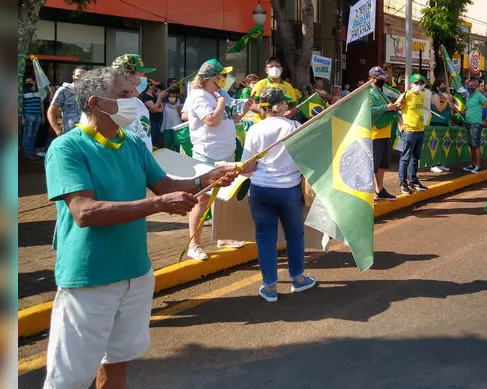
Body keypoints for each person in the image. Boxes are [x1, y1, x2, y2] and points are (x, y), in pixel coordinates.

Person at [42, 66, 236, 389]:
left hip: (135, 273)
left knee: (116, 363)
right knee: (68, 379)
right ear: (95, 103)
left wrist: (207, 178)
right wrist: (159, 206)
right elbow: (85, 212)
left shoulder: (130, 143)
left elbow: (166, 185)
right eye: (124, 94)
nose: (136, 100)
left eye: (133, 92)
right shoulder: (67, 148)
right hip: (89, 278)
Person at [239, 87, 316, 302]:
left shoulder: (255, 130)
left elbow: (248, 166)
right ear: (279, 106)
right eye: (285, 103)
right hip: (289, 189)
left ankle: (270, 286)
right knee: (294, 235)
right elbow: (306, 160)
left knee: (265, 238)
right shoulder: (295, 127)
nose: (287, 106)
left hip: (260, 190)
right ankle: (298, 279)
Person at [185, 59, 250, 260]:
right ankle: (194, 244)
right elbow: (211, 120)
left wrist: (243, 111)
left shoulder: (219, 95)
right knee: (201, 200)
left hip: (224, 154)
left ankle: (223, 236)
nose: (225, 79)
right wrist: (221, 102)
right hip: (207, 155)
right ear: (212, 78)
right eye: (222, 75)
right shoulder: (199, 96)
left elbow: (227, 119)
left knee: (221, 197)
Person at [110, 54, 156, 151]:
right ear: (127, 77)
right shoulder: (108, 106)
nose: (145, 78)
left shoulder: (139, 104)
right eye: (141, 73)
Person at [368, 66, 399, 200]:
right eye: (380, 78)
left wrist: (394, 106)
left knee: (382, 165)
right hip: (375, 133)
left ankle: (379, 189)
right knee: (372, 166)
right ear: (373, 78)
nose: (383, 80)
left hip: (385, 133)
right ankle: (369, 193)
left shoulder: (381, 91)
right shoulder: (368, 92)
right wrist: (386, 107)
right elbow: (369, 110)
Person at [396, 73, 428, 194]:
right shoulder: (405, 95)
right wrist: (401, 124)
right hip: (409, 131)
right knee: (405, 158)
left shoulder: (421, 96)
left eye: (420, 83)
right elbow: (396, 109)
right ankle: (402, 182)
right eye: (416, 83)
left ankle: (413, 180)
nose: (418, 85)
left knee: (416, 158)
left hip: (420, 130)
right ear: (410, 84)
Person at [461, 79, 487, 174]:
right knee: (471, 145)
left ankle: (478, 165)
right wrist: (458, 111)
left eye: (472, 85)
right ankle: (473, 163)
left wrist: (486, 120)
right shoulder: (468, 97)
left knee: (476, 145)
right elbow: (468, 110)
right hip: (468, 123)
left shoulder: (479, 96)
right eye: (468, 85)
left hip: (476, 124)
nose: (470, 87)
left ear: (476, 87)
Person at [47, 66, 88, 137]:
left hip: (88, 134)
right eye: (78, 75)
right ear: (73, 76)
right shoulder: (64, 90)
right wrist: (58, 131)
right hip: (70, 134)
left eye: (84, 76)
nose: (81, 78)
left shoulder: (92, 92)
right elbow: (51, 112)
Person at [429, 79, 457, 173]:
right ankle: (433, 164)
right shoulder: (435, 96)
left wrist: (450, 101)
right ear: (437, 87)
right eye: (442, 85)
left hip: (444, 122)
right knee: (436, 144)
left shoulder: (445, 96)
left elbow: (453, 108)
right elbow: (439, 109)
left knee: (442, 145)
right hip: (437, 122)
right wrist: (447, 102)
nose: (444, 86)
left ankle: (439, 163)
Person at [21, 76, 45, 160]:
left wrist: (43, 116)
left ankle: (32, 152)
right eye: (27, 82)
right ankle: (27, 153)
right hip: (28, 115)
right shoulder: (23, 92)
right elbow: (21, 105)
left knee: (33, 135)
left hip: (37, 115)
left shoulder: (38, 91)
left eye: (30, 81)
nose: (28, 83)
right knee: (27, 135)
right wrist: (23, 118)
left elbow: (41, 104)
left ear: (34, 82)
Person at [139, 79, 165, 148]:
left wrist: (157, 109)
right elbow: (154, 108)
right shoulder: (145, 96)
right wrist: (159, 98)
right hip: (151, 121)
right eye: (153, 84)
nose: (155, 86)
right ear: (150, 86)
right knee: (152, 137)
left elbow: (161, 108)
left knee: (157, 137)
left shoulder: (154, 95)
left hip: (158, 119)